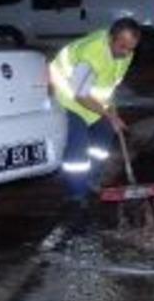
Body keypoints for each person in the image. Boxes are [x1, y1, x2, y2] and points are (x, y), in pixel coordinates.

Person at [50, 18, 141, 203]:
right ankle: (77, 193)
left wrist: (111, 112)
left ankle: (92, 180)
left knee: (103, 137)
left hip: (92, 102)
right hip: (67, 98)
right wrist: (109, 115)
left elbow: (110, 83)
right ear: (110, 39)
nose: (126, 53)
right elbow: (80, 95)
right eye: (122, 46)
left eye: (131, 48)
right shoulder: (90, 55)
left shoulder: (126, 54)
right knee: (78, 146)